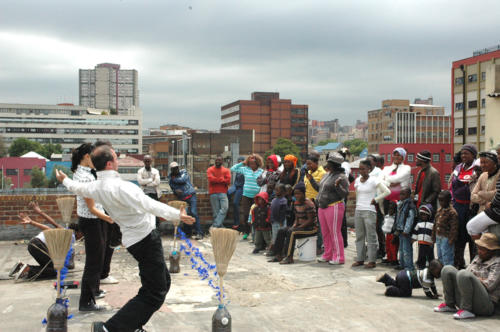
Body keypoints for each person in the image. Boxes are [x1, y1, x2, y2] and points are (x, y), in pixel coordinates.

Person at [55, 145, 195, 332]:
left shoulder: (95, 186)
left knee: (162, 283)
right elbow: (149, 204)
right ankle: (109, 329)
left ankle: (132, 325)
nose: (118, 160)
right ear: (110, 163)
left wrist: (64, 179)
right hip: (145, 240)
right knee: (154, 292)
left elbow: (76, 187)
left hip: (134, 241)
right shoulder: (123, 187)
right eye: (116, 157)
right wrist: (177, 214)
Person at [71, 143, 114, 311]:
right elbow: (92, 208)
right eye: (94, 157)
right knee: (93, 262)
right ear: (86, 157)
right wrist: (110, 218)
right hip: (91, 221)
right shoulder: (85, 178)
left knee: (99, 257)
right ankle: (86, 301)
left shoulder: (86, 172)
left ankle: (94, 290)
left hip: (94, 220)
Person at [434, 233, 500, 320]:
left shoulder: (497, 262)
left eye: (483, 249)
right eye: (479, 248)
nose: (479, 251)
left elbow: (489, 285)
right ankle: (449, 304)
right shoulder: (477, 258)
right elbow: (466, 275)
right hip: (469, 297)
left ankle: (466, 310)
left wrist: (473, 278)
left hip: (485, 304)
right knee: (447, 269)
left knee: (463, 274)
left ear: (491, 251)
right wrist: (477, 278)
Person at [12, 201, 81, 281]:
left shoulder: (68, 234)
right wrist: (33, 220)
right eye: (83, 234)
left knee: (50, 268)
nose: (83, 236)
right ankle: (27, 270)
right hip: (37, 245)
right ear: (78, 232)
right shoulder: (70, 236)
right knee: (55, 271)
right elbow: (50, 227)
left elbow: (52, 224)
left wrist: (37, 214)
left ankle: (22, 267)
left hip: (35, 245)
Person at [351, 159, 390, 269]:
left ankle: (372, 260)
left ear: (369, 169)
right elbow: (357, 194)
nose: (361, 171)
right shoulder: (358, 180)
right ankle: (360, 259)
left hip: (369, 211)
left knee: (371, 236)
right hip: (359, 210)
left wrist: (376, 199)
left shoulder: (374, 180)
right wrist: (358, 205)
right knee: (359, 236)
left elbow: (387, 191)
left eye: (363, 169)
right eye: (360, 169)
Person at [269, 182, 318, 264]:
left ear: (303, 193)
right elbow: (297, 218)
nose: (296, 196)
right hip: (301, 226)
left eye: (299, 194)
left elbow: (310, 220)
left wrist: (299, 227)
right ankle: (278, 255)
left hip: (311, 228)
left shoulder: (309, 204)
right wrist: (294, 225)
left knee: (292, 232)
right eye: (295, 194)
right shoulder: (296, 203)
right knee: (282, 231)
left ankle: (289, 257)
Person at [316, 153, 349, 265]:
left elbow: (345, 194)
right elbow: (320, 188)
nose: (327, 165)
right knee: (325, 233)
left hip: (334, 206)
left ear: (336, 165)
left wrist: (337, 186)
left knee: (334, 232)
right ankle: (328, 254)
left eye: (330, 163)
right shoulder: (326, 175)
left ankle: (339, 257)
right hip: (322, 207)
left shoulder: (342, 177)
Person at [450, 144, 478, 269]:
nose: (463, 156)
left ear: (473, 155)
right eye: (462, 153)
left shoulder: (477, 168)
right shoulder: (458, 167)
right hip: (458, 206)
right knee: (458, 237)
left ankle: (474, 265)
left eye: (466, 153)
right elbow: (451, 184)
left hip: (471, 208)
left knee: (473, 238)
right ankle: (459, 263)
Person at [230, 154, 264, 239]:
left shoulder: (261, 171)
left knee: (256, 214)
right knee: (246, 214)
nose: (252, 165)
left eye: (254, 163)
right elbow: (233, 169)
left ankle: (255, 233)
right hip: (246, 195)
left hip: (256, 196)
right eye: (250, 163)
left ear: (258, 163)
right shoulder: (245, 169)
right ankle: (246, 231)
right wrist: (243, 163)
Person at [169, 161, 202, 239]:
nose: (176, 170)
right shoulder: (171, 178)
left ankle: (199, 233)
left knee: (194, 213)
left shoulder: (184, 172)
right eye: (173, 169)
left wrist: (174, 179)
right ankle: (188, 233)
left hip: (191, 196)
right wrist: (175, 191)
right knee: (185, 216)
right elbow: (173, 188)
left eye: (176, 168)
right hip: (183, 199)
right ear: (171, 170)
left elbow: (183, 180)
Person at [376, 259, 442, 298]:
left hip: (403, 275)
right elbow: (427, 290)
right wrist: (432, 296)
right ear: (432, 270)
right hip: (406, 279)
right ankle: (390, 291)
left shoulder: (428, 272)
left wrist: (435, 293)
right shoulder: (426, 278)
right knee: (406, 293)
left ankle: (385, 278)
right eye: (438, 272)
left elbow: (432, 285)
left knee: (399, 285)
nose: (440, 274)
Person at [467, 165, 500, 240]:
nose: (483, 166)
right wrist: (487, 198)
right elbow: (472, 197)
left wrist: (481, 193)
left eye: (485, 162)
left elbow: (496, 193)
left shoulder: (498, 174)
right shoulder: (482, 176)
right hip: (482, 211)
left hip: (494, 211)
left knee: (471, 226)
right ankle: (482, 248)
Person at [304, 152, 326, 253]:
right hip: (307, 202)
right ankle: (310, 244)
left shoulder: (322, 173)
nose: (308, 166)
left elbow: (320, 189)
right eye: (307, 164)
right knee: (310, 224)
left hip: (317, 202)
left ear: (316, 163)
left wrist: (311, 179)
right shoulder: (307, 173)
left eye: (310, 164)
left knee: (319, 225)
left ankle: (319, 246)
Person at [432, 190, 458, 266]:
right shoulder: (439, 210)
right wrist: (433, 236)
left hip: (446, 238)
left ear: (449, 200)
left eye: (442, 201)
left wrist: (451, 239)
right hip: (438, 236)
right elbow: (435, 224)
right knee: (440, 256)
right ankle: (441, 271)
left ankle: (448, 274)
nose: (441, 203)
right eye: (439, 201)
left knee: (447, 257)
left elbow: (454, 228)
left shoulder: (452, 213)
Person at [367, 154, 386, 259]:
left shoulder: (379, 173)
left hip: (377, 203)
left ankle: (383, 249)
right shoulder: (368, 172)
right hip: (369, 203)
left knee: (378, 227)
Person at [393, 187, 416, 271]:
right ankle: (402, 264)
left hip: (406, 232)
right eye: (400, 194)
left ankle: (409, 267)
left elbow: (410, 219)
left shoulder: (410, 205)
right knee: (401, 249)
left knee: (407, 250)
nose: (401, 196)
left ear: (409, 195)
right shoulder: (400, 204)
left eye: (403, 194)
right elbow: (398, 218)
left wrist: (406, 230)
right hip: (400, 230)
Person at [137, 155, 161, 229]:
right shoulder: (140, 171)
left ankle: (156, 228)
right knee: (145, 212)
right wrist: (150, 180)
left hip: (154, 194)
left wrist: (146, 183)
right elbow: (140, 182)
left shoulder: (155, 171)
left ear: (151, 161)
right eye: (146, 161)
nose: (147, 162)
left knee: (155, 211)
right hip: (144, 194)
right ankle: (147, 229)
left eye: (148, 161)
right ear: (143, 162)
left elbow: (157, 182)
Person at [207, 156, 231, 228]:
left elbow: (228, 181)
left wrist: (216, 179)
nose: (217, 161)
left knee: (225, 208)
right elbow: (211, 179)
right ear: (215, 161)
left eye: (219, 160)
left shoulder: (226, 170)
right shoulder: (210, 169)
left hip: (223, 192)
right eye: (216, 160)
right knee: (216, 213)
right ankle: (220, 229)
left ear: (222, 161)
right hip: (213, 193)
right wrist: (222, 179)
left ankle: (214, 226)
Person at [412, 204, 435, 269]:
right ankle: (421, 266)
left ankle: (432, 266)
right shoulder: (419, 224)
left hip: (429, 243)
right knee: (421, 255)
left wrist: (434, 240)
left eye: (424, 214)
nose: (423, 216)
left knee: (430, 255)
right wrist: (413, 239)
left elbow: (434, 234)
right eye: (421, 214)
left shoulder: (432, 225)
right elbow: (415, 232)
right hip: (421, 243)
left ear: (429, 215)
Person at [228, 156, 245, 230]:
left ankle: (236, 222)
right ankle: (227, 208)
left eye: (241, 161)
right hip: (235, 185)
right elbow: (232, 169)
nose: (239, 162)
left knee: (235, 203)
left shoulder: (245, 170)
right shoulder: (238, 169)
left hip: (241, 188)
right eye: (238, 161)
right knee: (227, 192)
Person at [269, 183, 288, 251]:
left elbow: (283, 212)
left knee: (281, 237)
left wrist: (281, 221)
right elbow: (272, 211)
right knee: (274, 236)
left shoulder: (283, 200)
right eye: (275, 190)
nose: (276, 191)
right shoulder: (274, 200)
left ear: (283, 192)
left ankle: (282, 250)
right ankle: (275, 250)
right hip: (274, 222)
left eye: (278, 190)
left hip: (280, 222)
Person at [381, 201, 398, 265]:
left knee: (393, 248)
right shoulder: (386, 216)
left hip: (392, 234)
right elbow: (384, 224)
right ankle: (389, 258)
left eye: (392, 209)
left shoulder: (395, 217)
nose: (390, 211)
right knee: (387, 247)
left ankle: (394, 259)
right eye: (389, 209)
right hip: (387, 234)